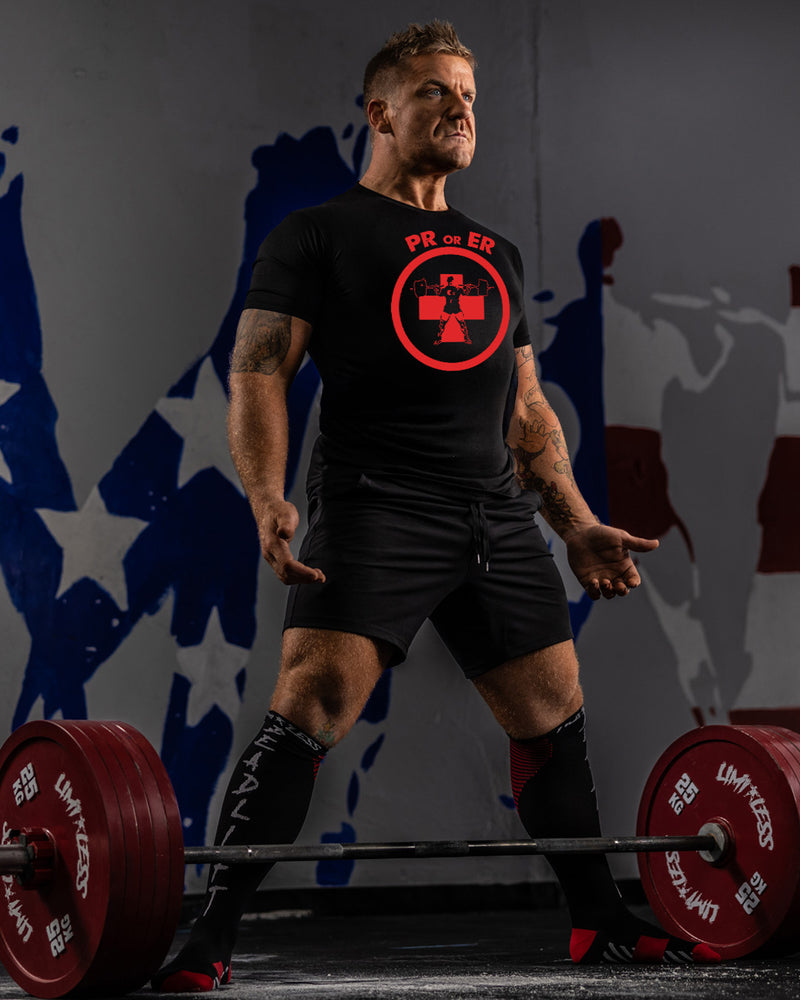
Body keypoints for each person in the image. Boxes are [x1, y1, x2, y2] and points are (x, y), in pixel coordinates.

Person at [152, 21, 719, 992]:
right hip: (377, 503)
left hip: (491, 514)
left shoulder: (490, 254)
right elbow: (259, 373)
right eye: (433, 92)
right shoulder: (316, 233)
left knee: (552, 711)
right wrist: (264, 495)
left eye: (467, 93)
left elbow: (526, 411)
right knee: (313, 705)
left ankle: (594, 919)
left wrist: (573, 518)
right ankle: (212, 931)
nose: (459, 106)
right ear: (378, 112)